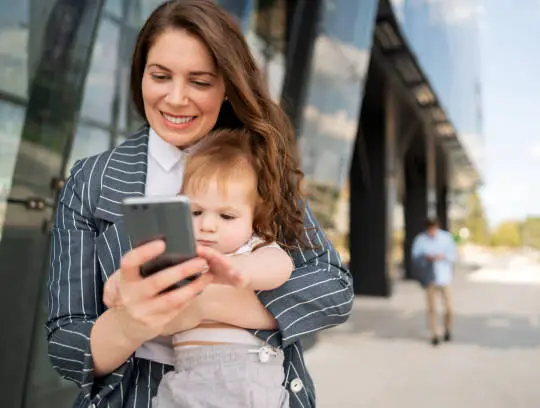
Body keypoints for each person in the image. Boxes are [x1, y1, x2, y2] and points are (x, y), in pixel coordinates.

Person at [45, 1, 353, 407]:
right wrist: (134, 321)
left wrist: (199, 305)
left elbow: (332, 290)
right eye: (160, 76)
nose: (175, 98)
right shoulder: (90, 181)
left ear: (227, 85)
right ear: (141, 75)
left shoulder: (258, 167)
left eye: (200, 81)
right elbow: (67, 344)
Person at [104, 128, 296, 407]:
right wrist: (119, 282)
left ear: (255, 220)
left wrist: (237, 269)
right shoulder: (178, 254)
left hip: (244, 375)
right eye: (195, 212)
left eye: (227, 216)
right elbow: (144, 278)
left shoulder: (251, 247)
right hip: (185, 376)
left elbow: (281, 266)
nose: (207, 225)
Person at [411, 217, 456, 346]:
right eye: (430, 230)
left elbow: (453, 255)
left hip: (444, 277)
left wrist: (443, 256)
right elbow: (415, 256)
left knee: (449, 308)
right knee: (432, 308)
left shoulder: (446, 238)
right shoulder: (421, 240)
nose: (432, 232)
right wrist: (426, 257)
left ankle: (447, 329)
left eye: (434, 229)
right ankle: (434, 334)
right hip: (430, 278)